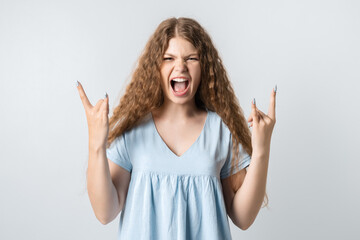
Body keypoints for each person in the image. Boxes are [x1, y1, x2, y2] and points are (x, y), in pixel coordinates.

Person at [76, 17, 276, 240]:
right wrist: (95, 143)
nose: (180, 66)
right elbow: (105, 213)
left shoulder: (221, 131)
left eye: (191, 58)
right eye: (168, 58)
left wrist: (261, 151)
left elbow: (243, 217)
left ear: (204, 67)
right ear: (156, 67)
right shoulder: (132, 131)